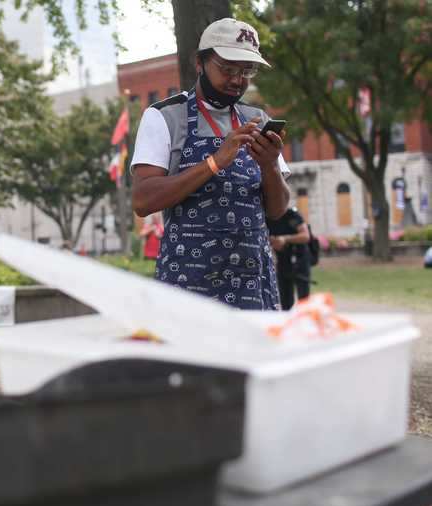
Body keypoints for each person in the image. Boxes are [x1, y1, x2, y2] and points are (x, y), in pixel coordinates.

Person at [131, 18, 291, 310]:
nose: (236, 79)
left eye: (246, 71)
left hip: (253, 286)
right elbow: (143, 200)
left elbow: (277, 210)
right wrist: (215, 162)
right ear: (199, 63)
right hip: (187, 288)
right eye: (227, 68)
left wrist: (269, 166)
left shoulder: (258, 120)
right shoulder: (165, 116)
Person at [267, 207, 311, 310]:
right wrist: (273, 242)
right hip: (283, 261)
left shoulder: (291, 214)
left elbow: (305, 236)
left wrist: (285, 239)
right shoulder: (267, 217)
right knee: (285, 300)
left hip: (300, 260)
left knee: (303, 299)